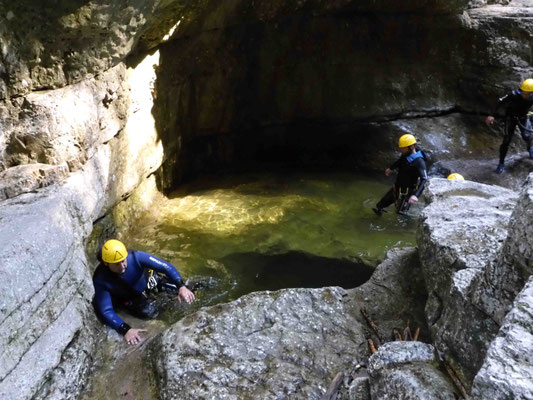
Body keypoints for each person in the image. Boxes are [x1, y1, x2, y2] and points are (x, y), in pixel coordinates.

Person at [92, 239, 195, 345]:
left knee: (190, 291)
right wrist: (125, 329)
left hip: (153, 282)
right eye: (117, 264)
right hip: (134, 299)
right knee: (151, 313)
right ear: (106, 263)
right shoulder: (101, 279)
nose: (122, 266)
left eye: (123, 261)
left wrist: (181, 286)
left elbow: (166, 267)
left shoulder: (135, 256)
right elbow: (106, 310)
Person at [485, 78, 533, 174]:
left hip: (523, 118)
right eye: (522, 91)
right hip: (510, 118)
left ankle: (530, 149)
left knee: (527, 136)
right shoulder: (513, 95)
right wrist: (491, 115)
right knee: (506, 141)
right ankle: (501, 163)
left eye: (525, 93)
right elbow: (499, 101)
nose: (522, 94)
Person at [373, 133, 428, 216]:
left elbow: (424, 179)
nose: (401, 150)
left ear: (411, 147)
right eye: (401, 148)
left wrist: (416, 195)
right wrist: (391, 168)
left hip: (408, 190)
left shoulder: (419, 161)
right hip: (398, 185)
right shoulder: (406, 154)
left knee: (401, 213)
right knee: (380, 205)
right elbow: (400, 161)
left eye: (403, 148)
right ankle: (377, 215)